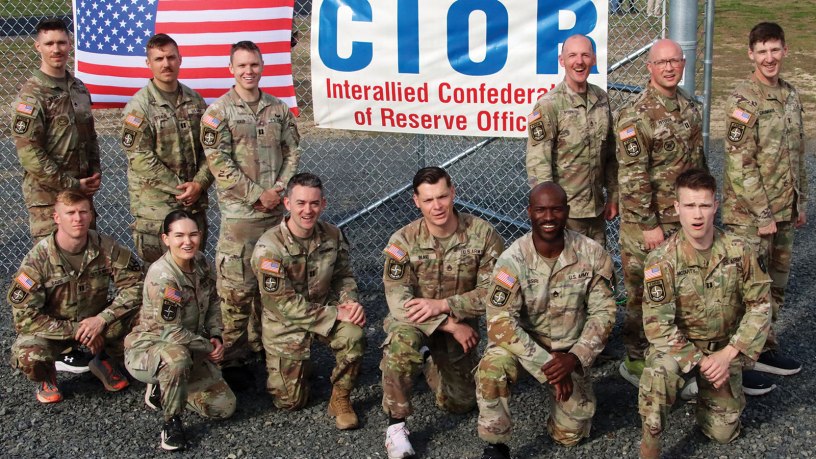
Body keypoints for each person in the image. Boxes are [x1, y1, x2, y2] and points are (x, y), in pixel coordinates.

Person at [638, 169, 772, 458]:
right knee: (658, 374)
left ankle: (701, 395)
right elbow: (657, 326)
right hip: (678, 349)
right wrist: (700, 361)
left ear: (716, 205)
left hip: (724, 349)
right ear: (677, 208)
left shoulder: (739, 250)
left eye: (703, 205)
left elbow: (760, 305)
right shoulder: (661, 260)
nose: (697, 215)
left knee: (723, 434)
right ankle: (649, 447)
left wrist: (728, 354)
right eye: (689, 205)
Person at [476, 182, 616, 459]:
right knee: (493, 366)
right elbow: (500, 322)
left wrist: (575, 358)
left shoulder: (592, 254)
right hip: (523, 343)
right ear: (529, 212)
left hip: (570, 347)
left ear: (566, 211)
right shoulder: (512, 260)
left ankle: (560, 412)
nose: (548, 217)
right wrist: (547, 365)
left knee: (569, 437)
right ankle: (496, 444)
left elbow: (605, 312)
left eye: (555, 209)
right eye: (541, 210)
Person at [380, 167, 505, 459]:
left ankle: (428, 363)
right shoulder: (403, 241)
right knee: (400, 345)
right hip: (416, 324)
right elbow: (398, 300)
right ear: (416, 201)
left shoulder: (483, 235)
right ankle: (395, 428)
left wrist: (446, 305)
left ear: (453, 193)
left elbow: (495, 293)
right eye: (428, 200)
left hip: (459, 324)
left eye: (442, 197)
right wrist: (447, 324)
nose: (436, 206)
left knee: (460, 403)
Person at [202, 40, 301, 385]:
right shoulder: (218, 113)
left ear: (262, 67)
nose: (249, 71)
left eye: (254, 65)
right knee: (237, 290)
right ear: (231, 69)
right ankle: (233, 357)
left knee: (271, 283)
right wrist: (258, 195)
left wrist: (278, 190)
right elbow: (219, 164)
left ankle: (268, 346)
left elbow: (292, 151)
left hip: (274, 217)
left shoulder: (278, 110)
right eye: (242, 66)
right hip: (240, 219)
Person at [615, 38, 707, 387]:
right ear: (649, 67)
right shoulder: (635, 114)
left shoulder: (691, 106)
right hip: (648, 225)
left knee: (681, 290)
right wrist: (649, 224)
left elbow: (699, 164)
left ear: (683, 64)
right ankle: (636, 360)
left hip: (685, 221)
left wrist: (704, 207)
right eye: (662, 62)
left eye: (675, 61)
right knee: (643, 292)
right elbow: (632, 175)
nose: (669, 67)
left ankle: (675, 355)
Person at [722, 22, 806, 391]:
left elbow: (796, 155)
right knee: (749, 290)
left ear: (785, 50)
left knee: (777, 287)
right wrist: (764, 214)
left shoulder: (790, 95)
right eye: (762, 51)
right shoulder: (744, 99)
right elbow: (740, 163)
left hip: (785, 213)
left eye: (775, 50)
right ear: (751, 54)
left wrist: (798, 203)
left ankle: (765, 348)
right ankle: (740, 364)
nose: (769, 58)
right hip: (751, 218)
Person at [251, 173, 366, 430]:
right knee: (290, 402)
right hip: (286, 324)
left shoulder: (333, 235)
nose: (308, 210)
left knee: (354, 334)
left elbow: (343, 276)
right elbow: (283, 304)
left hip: (325, 311)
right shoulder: (269, 248)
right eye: (301, 203)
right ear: (287, 204)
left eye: (314, 203)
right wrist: (336, 314)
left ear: (323, 204)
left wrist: (349, 303)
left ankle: (341, 398)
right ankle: (292, 365)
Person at [7, 191, 142, 403]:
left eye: (83, 212)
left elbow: (137, 285)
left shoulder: (106, 247)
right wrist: (79, 329)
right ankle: (47, 374)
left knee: (145, 317)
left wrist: (102, 319)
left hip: (96, 323)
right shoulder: (37, 260)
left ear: (91, 215)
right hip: (54, 330)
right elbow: (24, 317)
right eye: (70, 213)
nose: (77, 218)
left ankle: (102, 359)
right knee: (29, 355)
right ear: (57, 218)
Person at [125, 210, 236, 451]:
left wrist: (216, 335)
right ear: (166, 239)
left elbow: (215, 302)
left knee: (223, 408)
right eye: (179, 236)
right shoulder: (163, 277)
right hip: (150, 349)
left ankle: (165, 388)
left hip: (189, 344)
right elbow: (170, 333)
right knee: (177, 358)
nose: (188, 241)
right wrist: (208, 348)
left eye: (193, 234)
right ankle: (171, 422)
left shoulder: (201, 262)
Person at [121, 33, 212, 269]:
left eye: (171, 57)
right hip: (157, 210)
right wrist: (180, 188)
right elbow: (140, 157)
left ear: (180, 59)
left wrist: (200, 183)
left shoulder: (195, 101)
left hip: (193, 206)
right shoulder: (138, 108)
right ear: (148, 63)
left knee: (193, 273)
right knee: (160, 278)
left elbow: (210, 149)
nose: (166, 64)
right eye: (159, 58)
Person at [12, 18, 101, 243]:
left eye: (61, 42)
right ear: (38, 46)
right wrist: (70, 184)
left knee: (87, 260)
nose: (56, 49)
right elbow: (29, 154)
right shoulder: (32, 95)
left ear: (70, 44)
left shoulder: (78, 88)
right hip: (48, 199)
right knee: (54, 269)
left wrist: (93, 174)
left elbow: (90, 136)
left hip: (81, 196)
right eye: (49, 43)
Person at [526, 34, 618, 247]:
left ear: (593, 60)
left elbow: (611, 155)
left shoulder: (601, 99)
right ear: (562, 61)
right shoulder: (549, 105)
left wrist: (614, 194)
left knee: (598, 273)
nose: (579, 61)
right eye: (572, 55)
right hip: (564, 216)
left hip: (595, 212)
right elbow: (539, 163)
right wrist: (550, 213)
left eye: (585, 55)